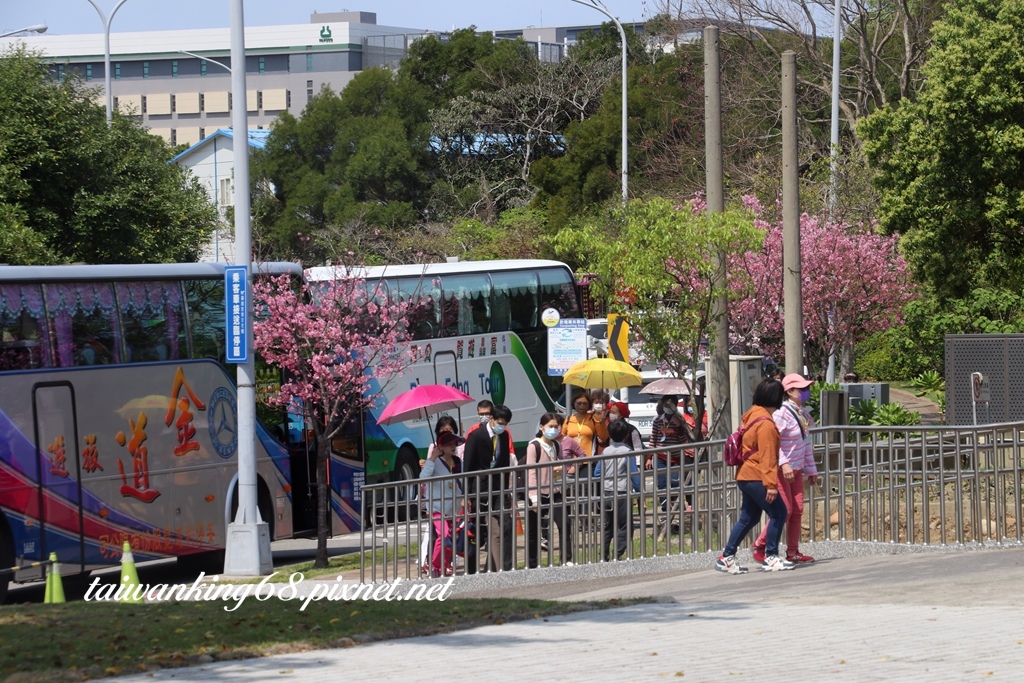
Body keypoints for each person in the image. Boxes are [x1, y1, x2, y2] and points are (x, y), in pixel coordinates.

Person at [716, 378, 794, 574]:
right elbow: (768, 456)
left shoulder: (751, 416)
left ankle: (727, 557)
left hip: (745, 475)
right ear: (777, 398)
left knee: (749, 518)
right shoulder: (766, 424)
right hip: (757, 475)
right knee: (779, 513)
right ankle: (771, 556)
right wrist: (771, 485)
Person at [750, 373, 818, 564]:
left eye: (806, 389)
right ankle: (761, 544)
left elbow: (805, 444)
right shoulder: (781, 413)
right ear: (789, 391)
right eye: (802, 389)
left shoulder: (800, 413)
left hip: (796, 469)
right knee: (784, 510)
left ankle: (793, 551)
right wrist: (784, 463)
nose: (806, 392)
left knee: (797, 511)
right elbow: (772, 443)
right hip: (783, 470)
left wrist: (811, 470)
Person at [463, 404, 515, 573]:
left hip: (498, 488)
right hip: (479, 488)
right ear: (491, 419)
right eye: (500, 422)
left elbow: (504, 463)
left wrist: (507, 491)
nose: (502, 426)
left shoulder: (504, 435)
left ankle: (498, 568)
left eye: (505, 423)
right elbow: (468, 466)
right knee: (478, 531)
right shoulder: (476, 436)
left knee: (500, 528)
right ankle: (474, 570)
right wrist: (467, 495)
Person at [524, 413, 573, 568]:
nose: (554, 430)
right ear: (542, 427)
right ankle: (532, 563)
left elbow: (560, 464)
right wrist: (533, 497)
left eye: (556, 427)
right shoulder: (534, 446)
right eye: (550, 426)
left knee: (564, 523)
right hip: (537, 493)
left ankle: (566, 558)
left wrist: (561, 468)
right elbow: (531, 471)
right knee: (534, 529)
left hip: (555, 491)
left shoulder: (556, 445)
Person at [418, 415, 461, 575]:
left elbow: (460, 483)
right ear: (440, 445)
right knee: (443, 534)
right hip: (437, 507)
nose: (453, 446)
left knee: (451, 537)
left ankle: (444, 564)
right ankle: (433, 564)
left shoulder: (457, 462)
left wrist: (464, 498)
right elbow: (423, 478)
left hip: (453, 508)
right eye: (449, 444)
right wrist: (432, 458)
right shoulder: (434, 461)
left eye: (455, 443)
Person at [598, 419, 641, 562]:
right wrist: (640, 490)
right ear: (627, 435)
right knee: (625, 525)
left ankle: (603, 555)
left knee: (607, 526)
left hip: (606, 492)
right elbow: (634, 474)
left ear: (609, 435)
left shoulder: (606, 451)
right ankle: (617, 553)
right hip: (621, 493)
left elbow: (597, 473)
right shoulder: (627, 452)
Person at [645, 395, 692, 514]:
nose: (667, 407)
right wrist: (649, 458)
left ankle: (677, 507)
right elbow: (653, 439)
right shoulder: (658, 420)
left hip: (676, 457)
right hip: (660, 456)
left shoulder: (680, 420)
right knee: (662, 483)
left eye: (670, 404)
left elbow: (683, 440)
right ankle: (666, 508)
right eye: (665, 404)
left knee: (675, 482)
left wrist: (679, 427)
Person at [562, 392, 609, 462]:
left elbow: (603, 437)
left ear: (589, 405)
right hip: (570, 460)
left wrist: (601, 423)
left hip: (588, 460)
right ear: (574, 404)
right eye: (579, 403)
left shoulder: (594, 418)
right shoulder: (569, 419)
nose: (582, 406)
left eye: (585, 404)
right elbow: (562, 437)